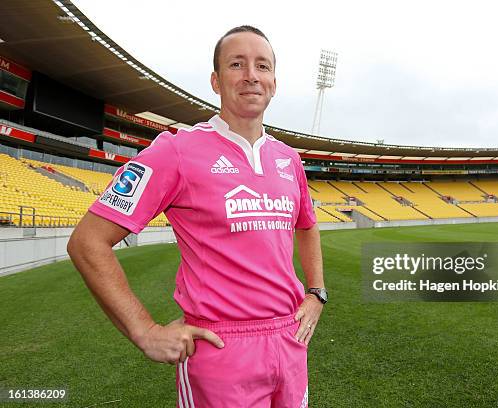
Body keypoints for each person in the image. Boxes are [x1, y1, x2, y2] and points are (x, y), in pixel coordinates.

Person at [68, 25, 326, 408]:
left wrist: (317, 292)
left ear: (274, 82)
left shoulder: (288, 159)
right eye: (237, 64)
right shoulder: (176, 151)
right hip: (221, 348)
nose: (251, 75)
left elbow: (306, 224)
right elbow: (87, 242)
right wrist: (144, 330)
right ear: (216, 80)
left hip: (290, 342)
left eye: (262, 66)